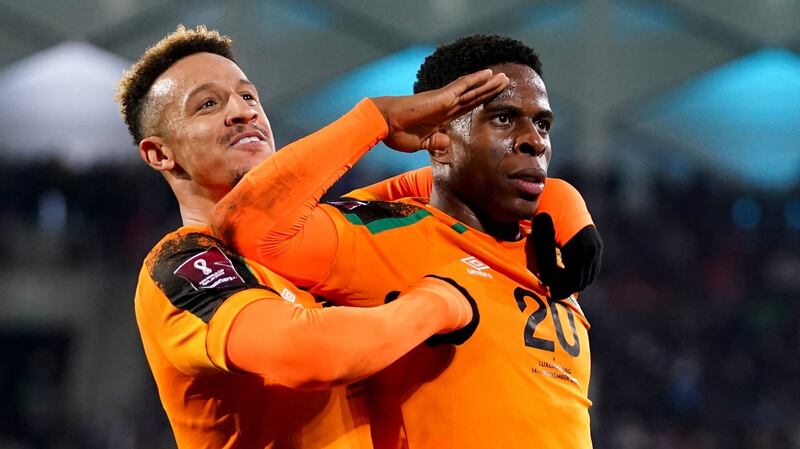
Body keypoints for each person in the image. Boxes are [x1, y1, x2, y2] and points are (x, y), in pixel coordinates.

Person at [117, 25, 517, 448]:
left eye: (249, 96)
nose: (243, 112)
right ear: (160, 154)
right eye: (208, 104)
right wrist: (439, 301)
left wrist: (571, 212)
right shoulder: (181, 264)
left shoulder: (315, 231)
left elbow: (490, 188)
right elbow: (308, 354)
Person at [212, 34, 601, 448]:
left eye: (542, 124)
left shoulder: (552, 251)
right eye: (503, 119)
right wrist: (379, 119)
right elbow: (247, 224)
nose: (535, 140)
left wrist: (562, 196)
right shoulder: (388, 236)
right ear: (440, 138)